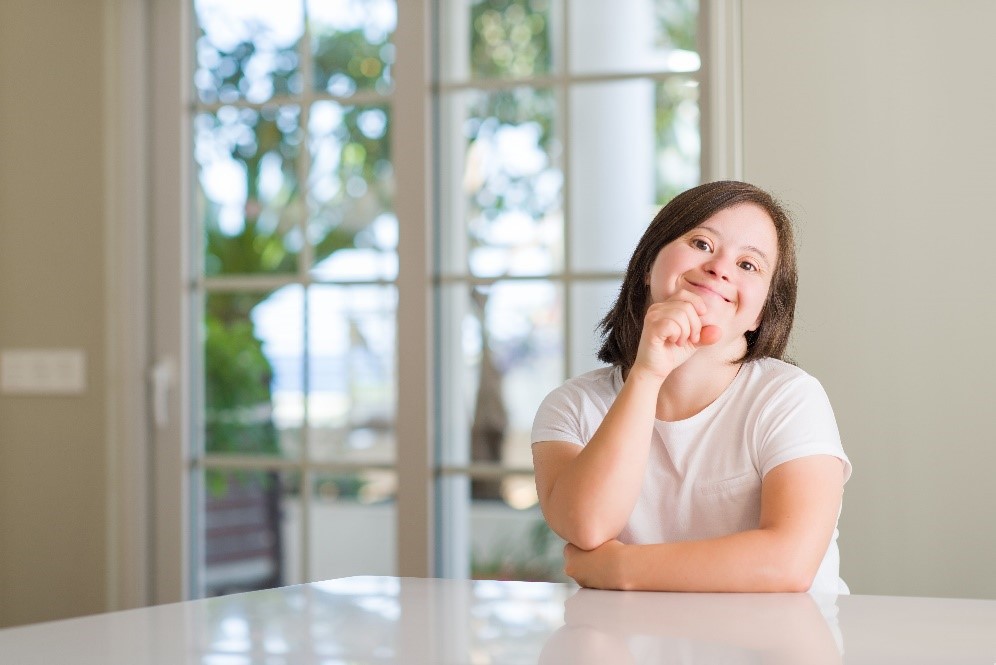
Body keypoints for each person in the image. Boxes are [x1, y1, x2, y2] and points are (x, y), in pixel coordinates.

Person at [531, 180, 851, 594]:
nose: (719, 267)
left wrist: (623, 569)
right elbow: (587, 526)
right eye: (701, 243)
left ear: (760, 314)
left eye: (749, 265)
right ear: (650, 264)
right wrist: (648, 373)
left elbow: (787, 564)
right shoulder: (571, 406)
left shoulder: (789, 398)